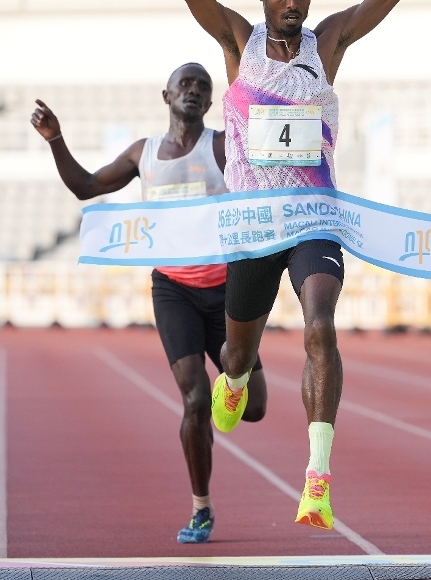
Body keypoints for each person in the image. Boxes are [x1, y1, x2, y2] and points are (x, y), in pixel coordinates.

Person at [107, 0, 431, 530]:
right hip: (252, 225)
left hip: (315, 217)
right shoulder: (238, 42)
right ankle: (235, 378)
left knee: (321, 325)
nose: (293, 5)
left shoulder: (331, 43)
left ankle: (317, 478)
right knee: (237, 354)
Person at [30, 63, 267, 544]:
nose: (193, 91)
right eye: (185, 84)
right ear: (167, 96)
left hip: (227, 290)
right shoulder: (144, 154)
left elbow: (265, 182)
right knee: (195, 400)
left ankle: (230, 378)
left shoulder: (223, 147)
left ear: (210, 100)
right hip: (174, 290)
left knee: (256, 408)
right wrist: (56, 140)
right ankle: (201, 507)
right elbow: (86, 187)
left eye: (202, 86)